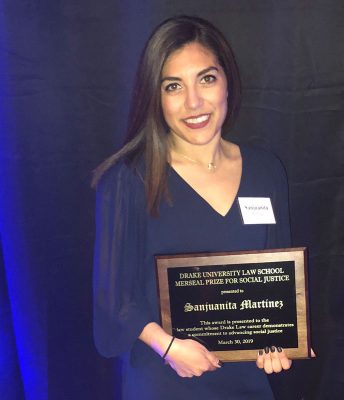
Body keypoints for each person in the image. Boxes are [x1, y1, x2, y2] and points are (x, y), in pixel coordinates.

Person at [92, 15, 295, 400]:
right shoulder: (128, 180)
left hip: (246, 380)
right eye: (173, 86)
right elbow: (113, 300)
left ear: (226, 82)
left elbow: (279, 277)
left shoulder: (267, 170)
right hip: (166, 376)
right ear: (156, 96)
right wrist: (169, 348)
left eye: (206, 78)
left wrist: (281, 341)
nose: (194, 102)